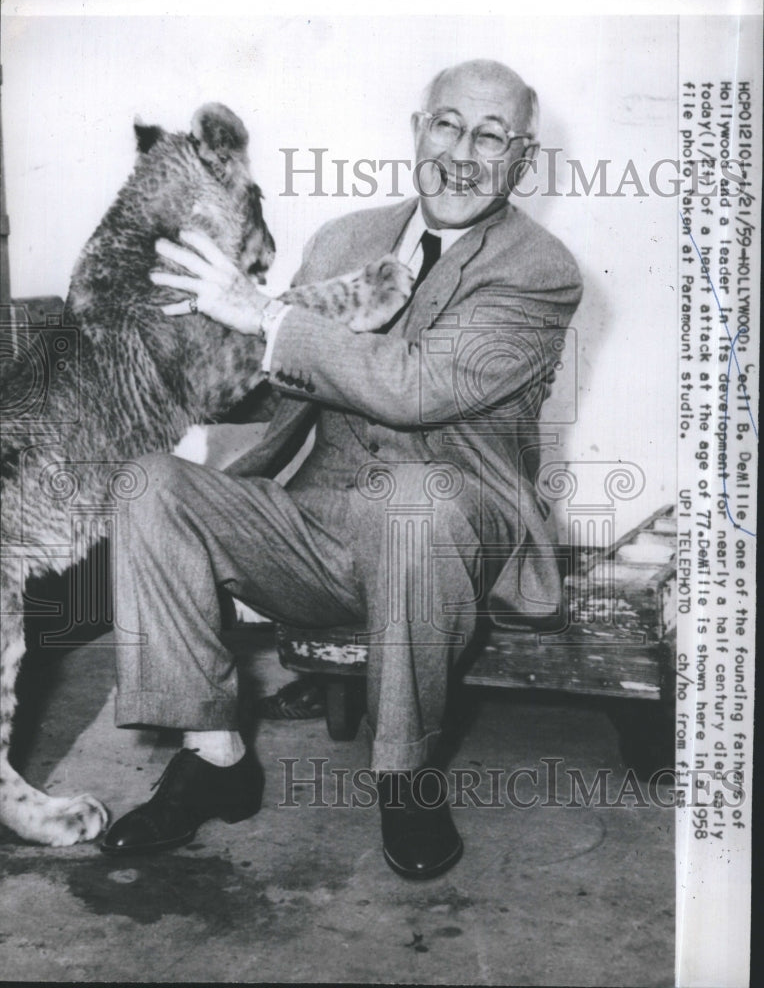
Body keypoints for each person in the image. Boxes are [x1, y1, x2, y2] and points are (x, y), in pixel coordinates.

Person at [101, 59, 582, 880]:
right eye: (447, 124)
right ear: (416, 131)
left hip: (447, 540)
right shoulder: (341, 240)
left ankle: (408, 775)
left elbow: (414, 386)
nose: (462, 152)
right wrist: (177, 357)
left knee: (410, 502)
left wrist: (263, 315)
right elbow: (277, 377)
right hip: (316, 533)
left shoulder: (538, 271)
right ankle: (215, 761)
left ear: (523, 162)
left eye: (491, 135)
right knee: (148, 484)